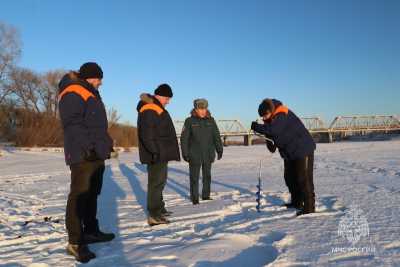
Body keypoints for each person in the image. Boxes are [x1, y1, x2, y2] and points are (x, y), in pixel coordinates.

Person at [58, 62, 115, 263]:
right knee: (79, 195)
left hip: (95, 153)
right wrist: (89, 147)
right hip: (83, 154)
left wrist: (106, 144)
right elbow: (72, 124)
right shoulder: (73, 91)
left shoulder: (90, 93)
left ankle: (91, 231)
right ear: (91, 76)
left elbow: (97, 126)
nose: (100, 82)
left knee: (92, 194)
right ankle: (75, 241)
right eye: (99, 78)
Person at [251, 98, 316, 216]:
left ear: (270, 110)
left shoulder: (281, 113)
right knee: (289, 177)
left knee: (304, 179)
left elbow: (274, 130)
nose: (264, 118)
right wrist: (268, 138)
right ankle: (297, 202)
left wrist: (257, 127)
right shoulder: (271, 121)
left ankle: (309, 207)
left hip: (302, 149)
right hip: (290, 153)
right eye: (262, 117)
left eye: (265, 115)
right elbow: (272, 143)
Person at [136, 84, 180, 226]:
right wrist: (155, 151)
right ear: (160, 96)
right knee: (155, 183)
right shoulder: (150, 109)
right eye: (167, 98)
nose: (168, 101)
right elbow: (147, 134)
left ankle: (159, 209)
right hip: (156, 153)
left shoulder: (156, 108)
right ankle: (154, 215)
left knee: (160, 182)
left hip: (160, 152)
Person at [180, 99, 223, 205]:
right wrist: (185, 153)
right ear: (195, 109)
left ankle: (206, 195)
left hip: (208, 154)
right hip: (194, 154)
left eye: (204, 108)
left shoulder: (211, 121)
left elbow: (216, 136)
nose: (203, 111)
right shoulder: (189, 121)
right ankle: (194, 198)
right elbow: (184, 138)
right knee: (194, 177)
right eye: (200, 109)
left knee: (207, 176)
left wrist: (219, 149)